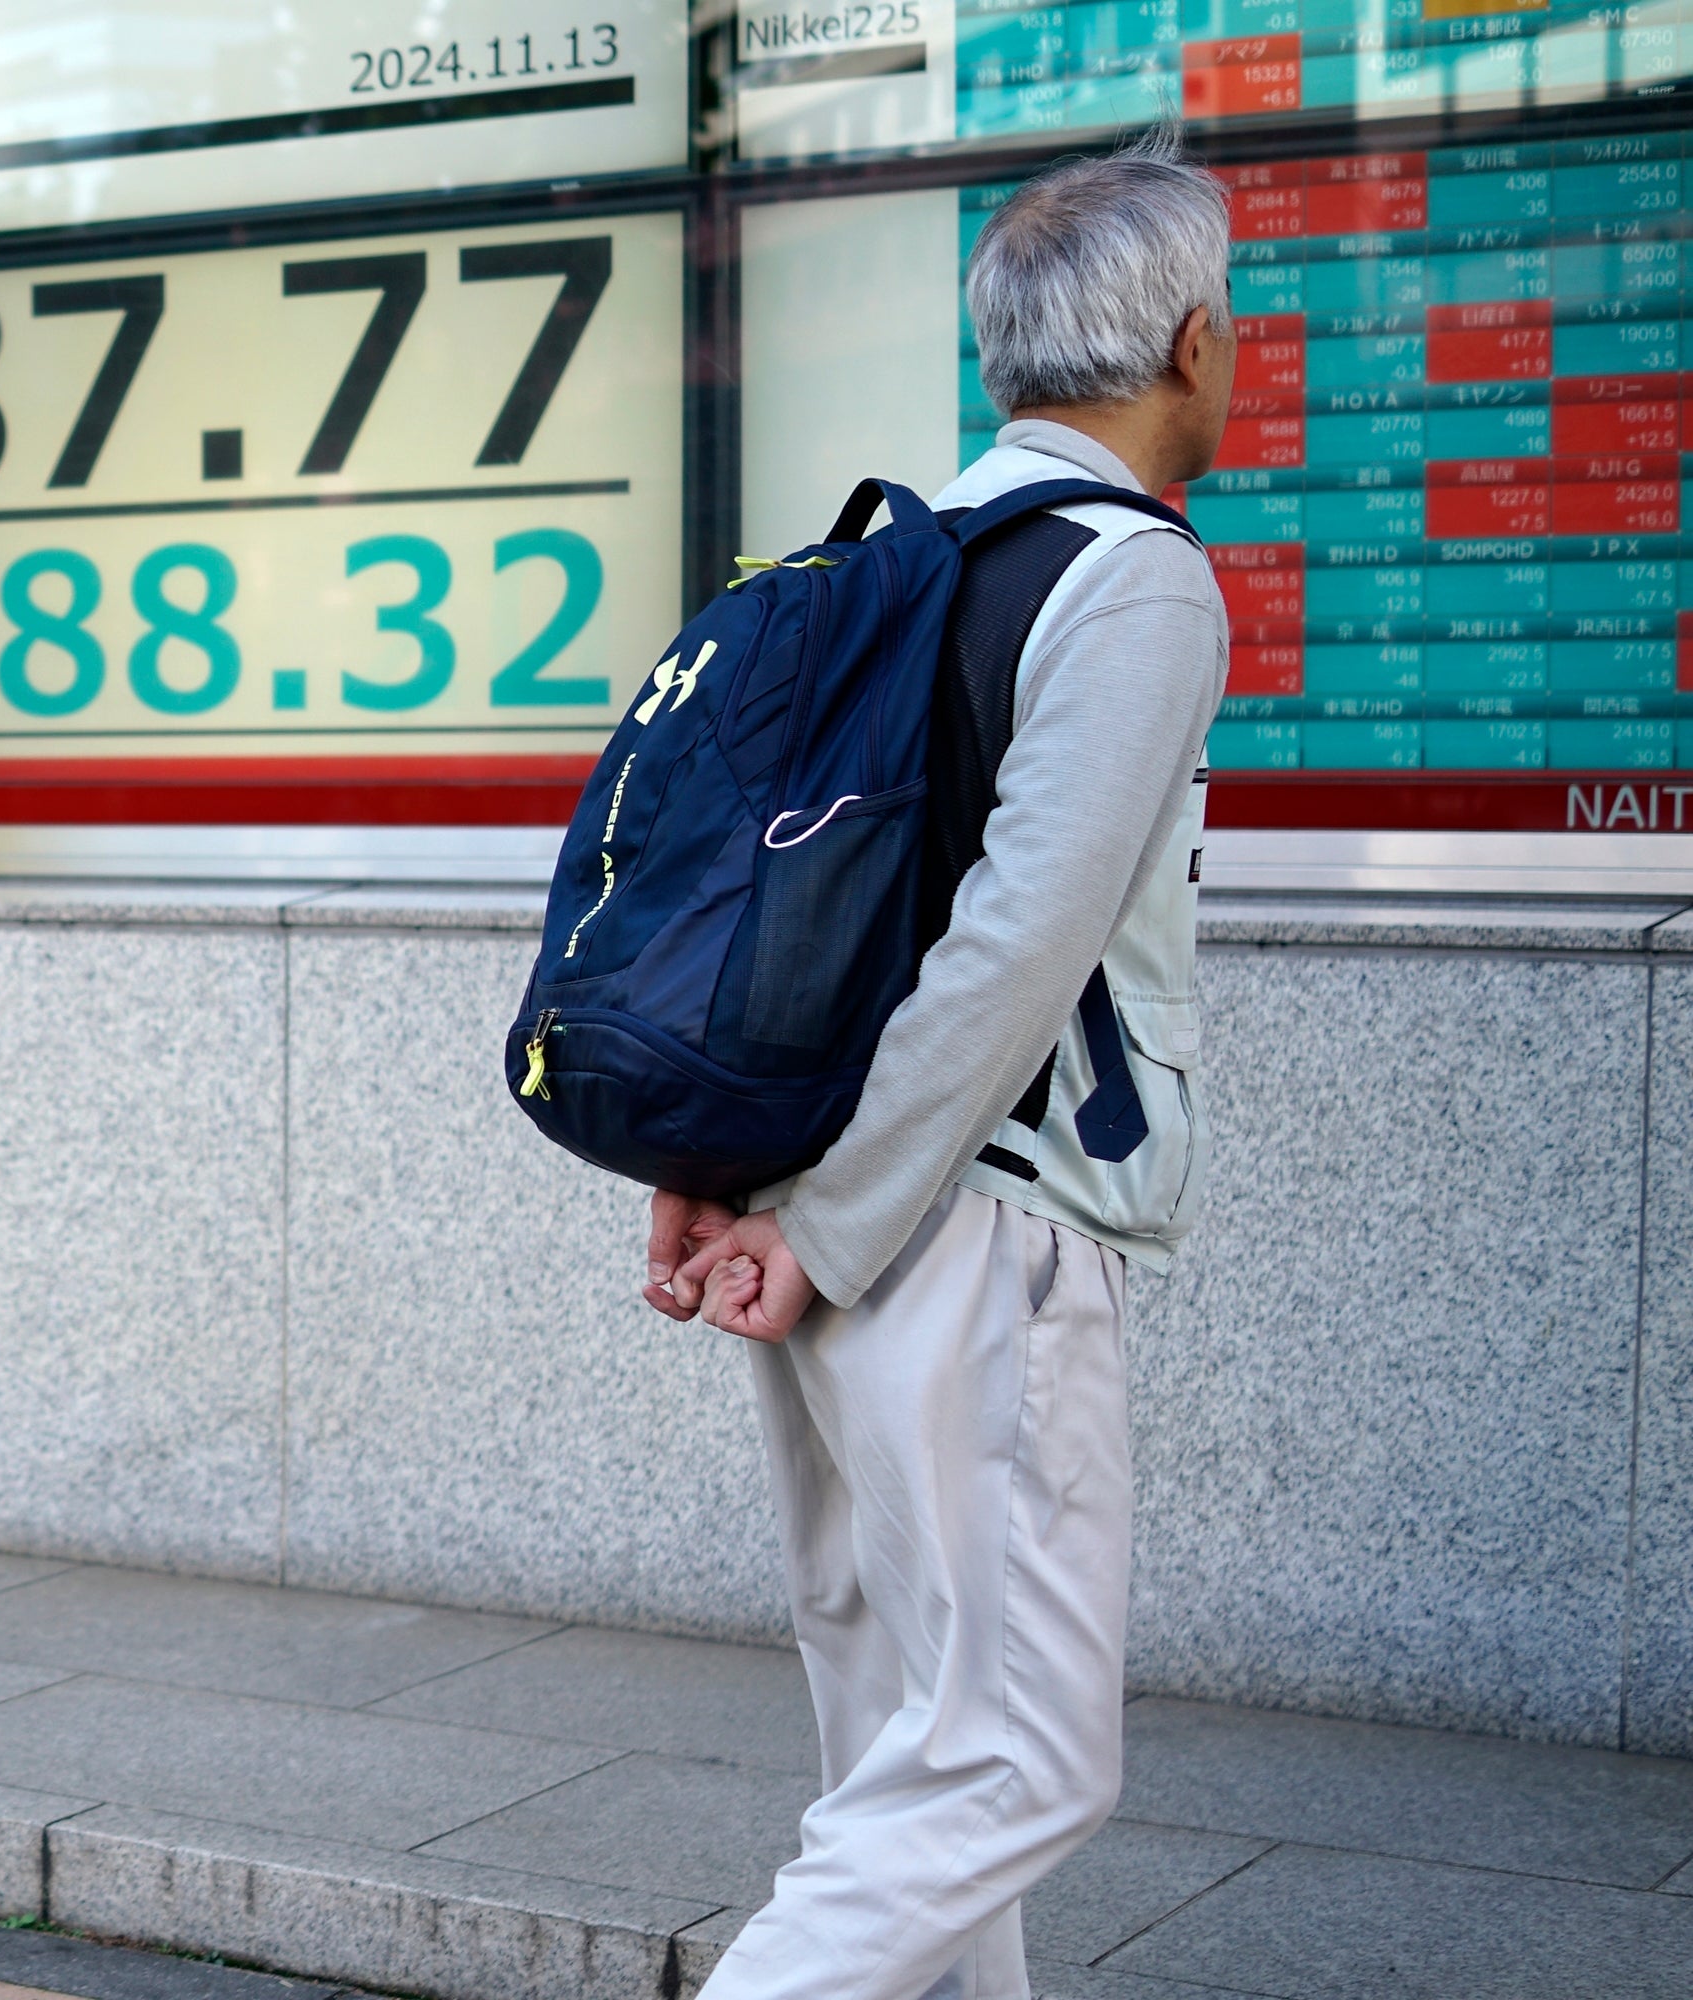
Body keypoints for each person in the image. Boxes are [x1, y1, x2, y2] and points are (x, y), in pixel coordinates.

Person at [645, 134, 1235, 2000]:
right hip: (959, 1223)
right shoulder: (1128, 581)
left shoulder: (880, 560)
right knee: (1018, 1755)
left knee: (908, 1749)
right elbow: (1016, 952)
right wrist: (826, 1223)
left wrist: (735, 1176)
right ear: (1194, 345)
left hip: (825, 1214)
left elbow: (751, 906)